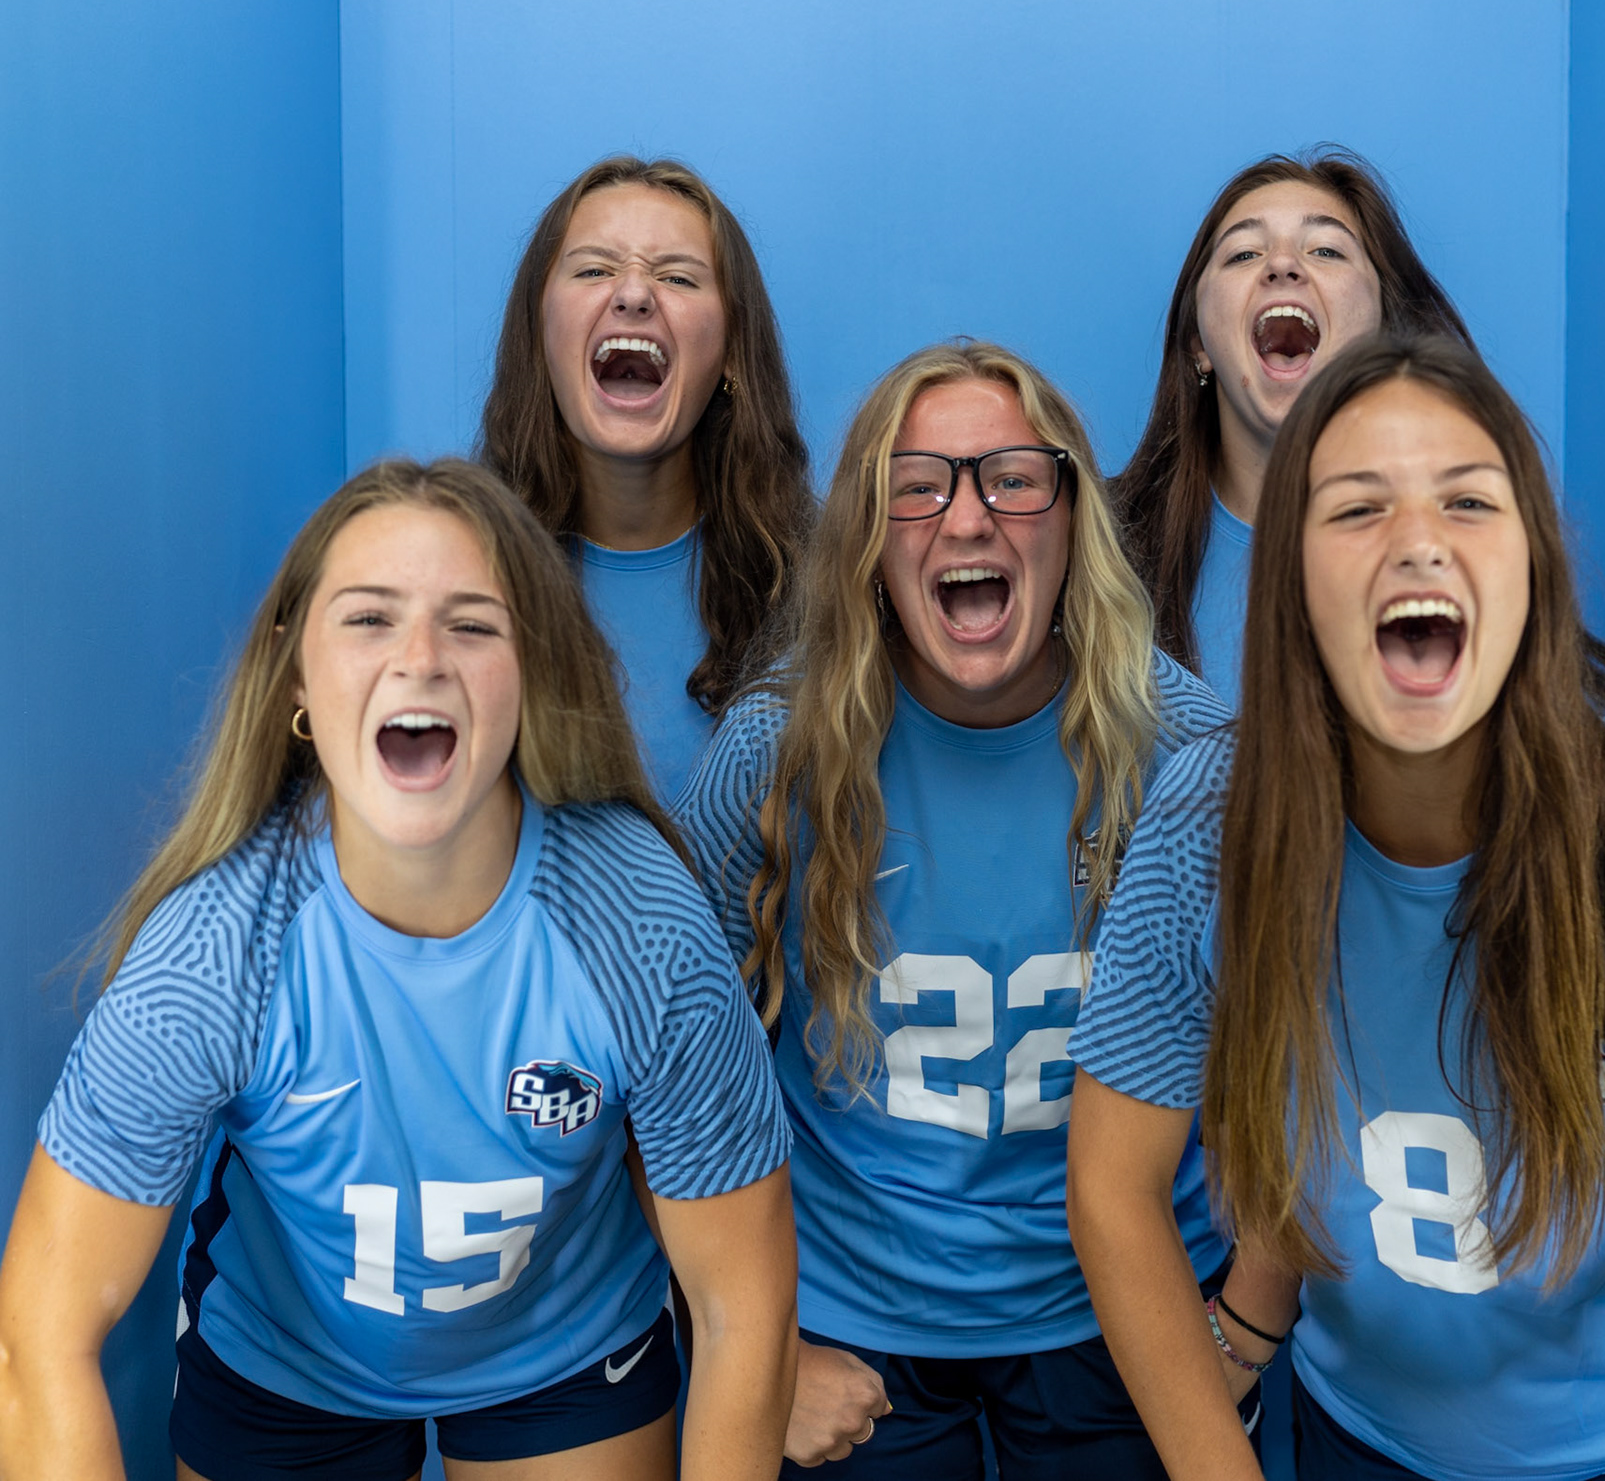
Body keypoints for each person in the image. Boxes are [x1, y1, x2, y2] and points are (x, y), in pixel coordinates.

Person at [1067, 333, 1605, 1481]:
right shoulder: (1198, 832)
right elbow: (1115, 1188)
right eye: (1357, 509)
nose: (1419, 539)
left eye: (1470, 501)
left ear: (1533, 570)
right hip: (1358, 1434)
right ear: (1291, 586)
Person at [0, 459, 797, 1480]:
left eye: (471, 623)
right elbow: (42, 1336)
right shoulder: (214, 951)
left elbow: (744, 1302)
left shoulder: (637, 920)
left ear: (531, 671)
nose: (420, 657)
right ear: (295, 672)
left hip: (563, 1348)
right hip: (287, 1363)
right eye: (369, 618)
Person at [676, 342, 1248, 1478]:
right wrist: (762, 1349)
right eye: (917, 485)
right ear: (868, 546)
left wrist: (1249, 1322)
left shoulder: (1187, 757)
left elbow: (1295, 1056)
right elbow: (658, 1058)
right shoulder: (772, 758)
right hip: (857, 1328)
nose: (969, 517)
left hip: (1123, 1315)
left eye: (1012, 477)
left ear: (1074, 518)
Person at [480, 155, 812, 803]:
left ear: (732, 356)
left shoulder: (825, 585)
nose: (633, 294)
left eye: (678, 278)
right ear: (540, 335)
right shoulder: (462, 575)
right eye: (595, 269)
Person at [1111, 149, 1471, 707]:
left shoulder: (1464, 552)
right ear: (1199, 346)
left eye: (1326, 249)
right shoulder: (1099, 554)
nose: (1282, 265)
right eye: (1243, 254)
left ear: (1387, 337)